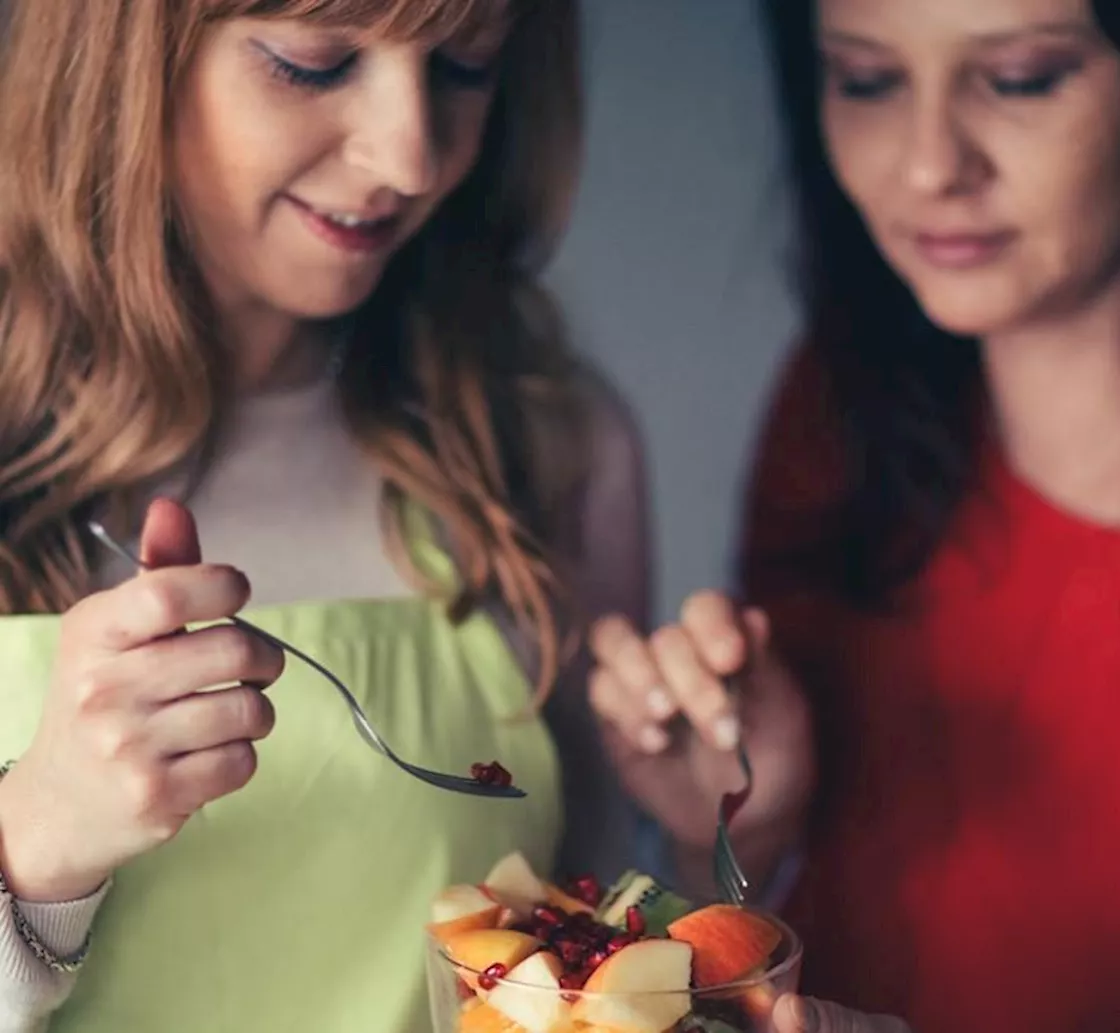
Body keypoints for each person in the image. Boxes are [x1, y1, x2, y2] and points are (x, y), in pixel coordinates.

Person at [588, 0, 1120, 1030]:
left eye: (1019, 80)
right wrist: (735, 827)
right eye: (865, 81)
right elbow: (766, 950)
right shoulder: (836, 406)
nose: (925, 166)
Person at [0, 0, 649, 1030]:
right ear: (121, 54)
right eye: (313, 63)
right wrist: (36, 840)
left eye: (464, 69)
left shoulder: (547, 448)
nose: (409, 158)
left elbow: (604, 969)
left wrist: (739, 816)